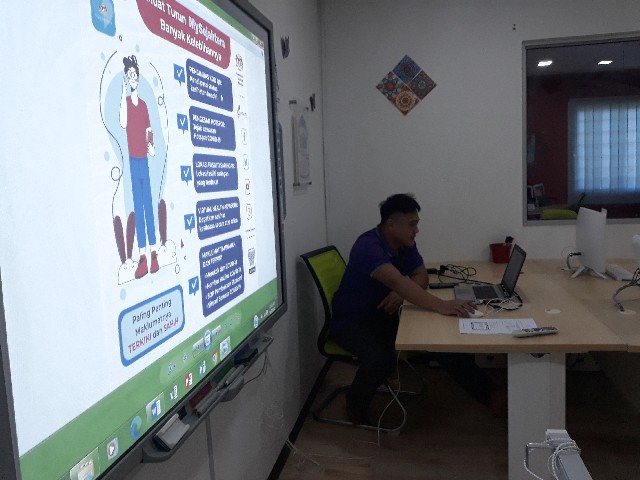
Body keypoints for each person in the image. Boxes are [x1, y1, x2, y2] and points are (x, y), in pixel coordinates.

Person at [330, 193, 504, 425]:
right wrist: (441, 304)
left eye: (417, 224)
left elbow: (421, 276)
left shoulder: (405, 243)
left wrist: (401, 293)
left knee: (440, 340)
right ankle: (355, 404)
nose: (417, 230)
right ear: (391, 225)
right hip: (352, 322)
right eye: (412, 224)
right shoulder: (368, 247)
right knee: (381, 359)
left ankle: (490, 395)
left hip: (383, 314)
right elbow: (397, 281)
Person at [120, 54, 159, 279]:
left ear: (138, 76)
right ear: (127, 78)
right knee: (138, 206)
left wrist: (151, 148)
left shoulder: (143, 105)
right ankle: (143, 256)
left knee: (148, 207)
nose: (132, 77)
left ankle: (154, 253)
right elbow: (123, 122)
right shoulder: (125, 104)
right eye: (129, 75)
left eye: (134, 74)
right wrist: (122, 93)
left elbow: (148, 129)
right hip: (133, 162)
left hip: (143, 160)